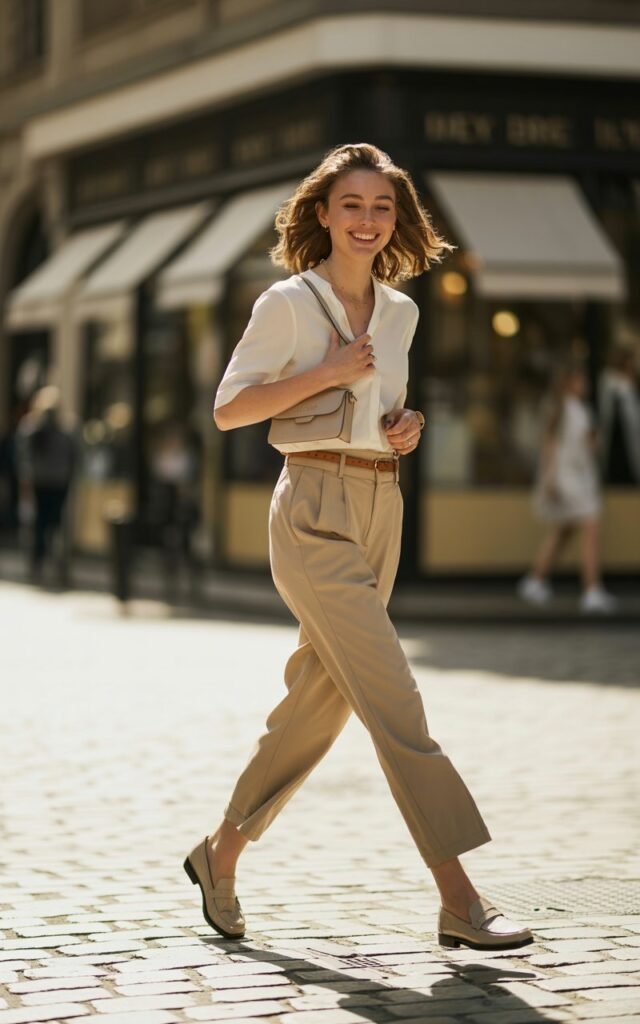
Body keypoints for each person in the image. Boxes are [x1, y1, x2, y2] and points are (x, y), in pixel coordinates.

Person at [184, 143, 533, 952]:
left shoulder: (404, 312)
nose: (368, 221)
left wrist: (404, 429)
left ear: (396, 219)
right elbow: (231, 410)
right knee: (395, 704)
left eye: (382, 207)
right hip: (310, 508)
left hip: (382, 504)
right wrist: (329, 371)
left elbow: (384, 411)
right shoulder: (286, 303)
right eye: (352, 205)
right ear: (322, 213)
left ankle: (220, 854)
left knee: (322, 701)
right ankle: (459, 898)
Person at [518, 358, 617, 613]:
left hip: (572, 477)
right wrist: (550, 480)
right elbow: (551, 446)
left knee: (565, 528)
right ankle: (592, 589)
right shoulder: (566, 408)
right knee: (590, 528)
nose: (585, 384)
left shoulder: (571, 408)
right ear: (571, 382)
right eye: (581, 379)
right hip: (570, 478)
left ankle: (536, 580)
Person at [15, 386, 78, 585]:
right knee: (55, 525)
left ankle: (40, 565)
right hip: (58, 482)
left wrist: (25, 479)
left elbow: (22, 457)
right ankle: (56, 567)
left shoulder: (32, 426)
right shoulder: (65, 427)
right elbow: (76, 456)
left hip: (42, 481)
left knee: (40, 525)